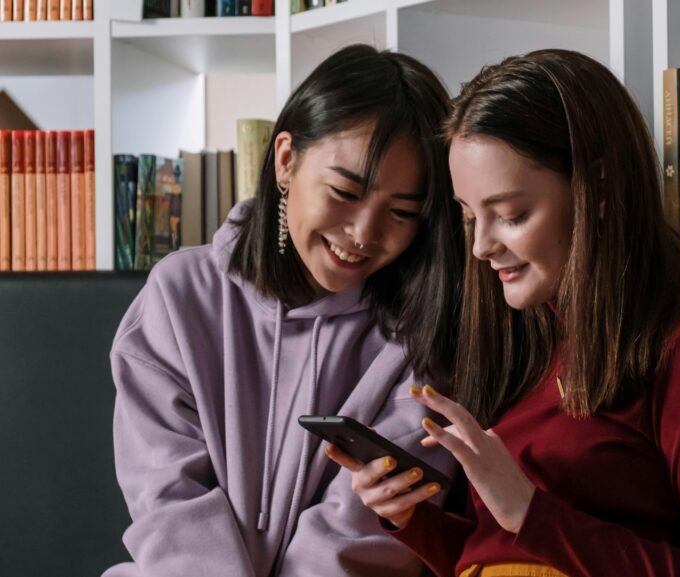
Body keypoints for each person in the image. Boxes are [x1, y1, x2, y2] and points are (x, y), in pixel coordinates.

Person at [328, 49, 680, 577]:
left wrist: (529, 512)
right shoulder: (523, 339)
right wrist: (411, 519)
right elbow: (504, 553)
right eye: (469, 216)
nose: (480, 247)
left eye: (511, 215)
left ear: (601, 191)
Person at [104, 44, 463, 577]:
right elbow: (167, 500)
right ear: (286, 159)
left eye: (402, 213)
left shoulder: (423, 332)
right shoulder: (179, 298)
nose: (364, 234)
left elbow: (364, 535)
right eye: (344, 192)